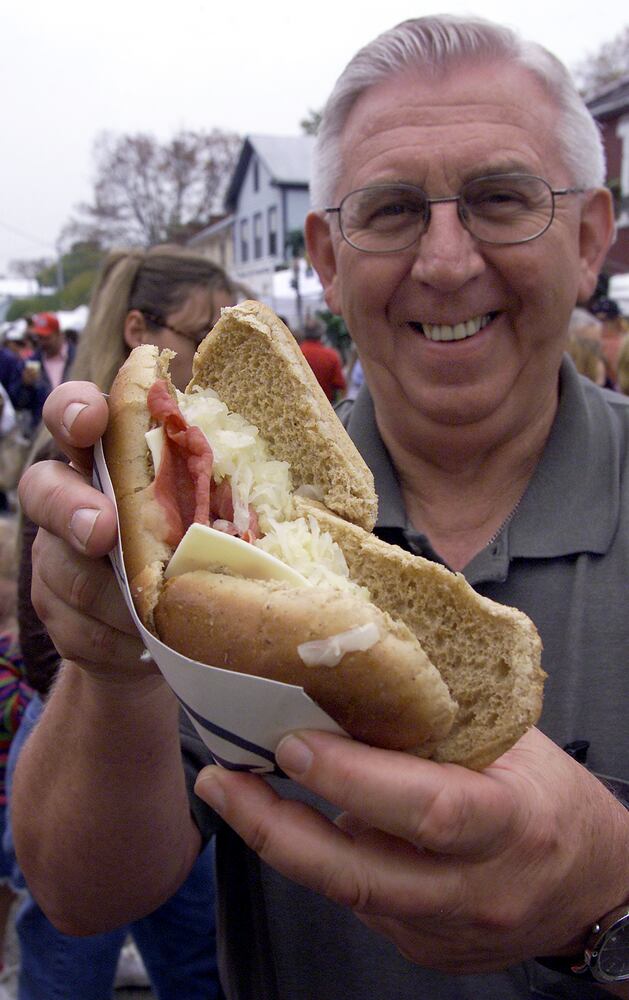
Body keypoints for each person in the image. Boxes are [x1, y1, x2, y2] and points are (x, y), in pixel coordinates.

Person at [10, 15, 629, 1000]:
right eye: (388, 211)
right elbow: (79, 891)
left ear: (590, 235)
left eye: (501, 199)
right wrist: (113, 658)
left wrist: (609, 900)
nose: (443, 259)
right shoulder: (230, 538)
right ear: (326, 254)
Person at [8, 245, 234, 1000]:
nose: (212, 356)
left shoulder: (191, 449)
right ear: (142, 328)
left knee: (199, 969)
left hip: (189, 753)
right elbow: (44, 652)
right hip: (71, 739)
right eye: (200, 335)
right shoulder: (73, 456)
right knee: (66, 972)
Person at [12, 313, 76, 436]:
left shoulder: (77, 357)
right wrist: (25, 385)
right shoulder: (30, 363)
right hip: (41, 434)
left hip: (74, 429)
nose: (42, 342)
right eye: (39, 338)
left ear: (58, 334)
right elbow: (19, 403)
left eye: (46, 337)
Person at [298, 317, 346, 401]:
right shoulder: (331, 356)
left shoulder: (295, 354)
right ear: (322, 333)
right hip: (325, 407)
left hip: (299, 405)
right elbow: (340, 386)